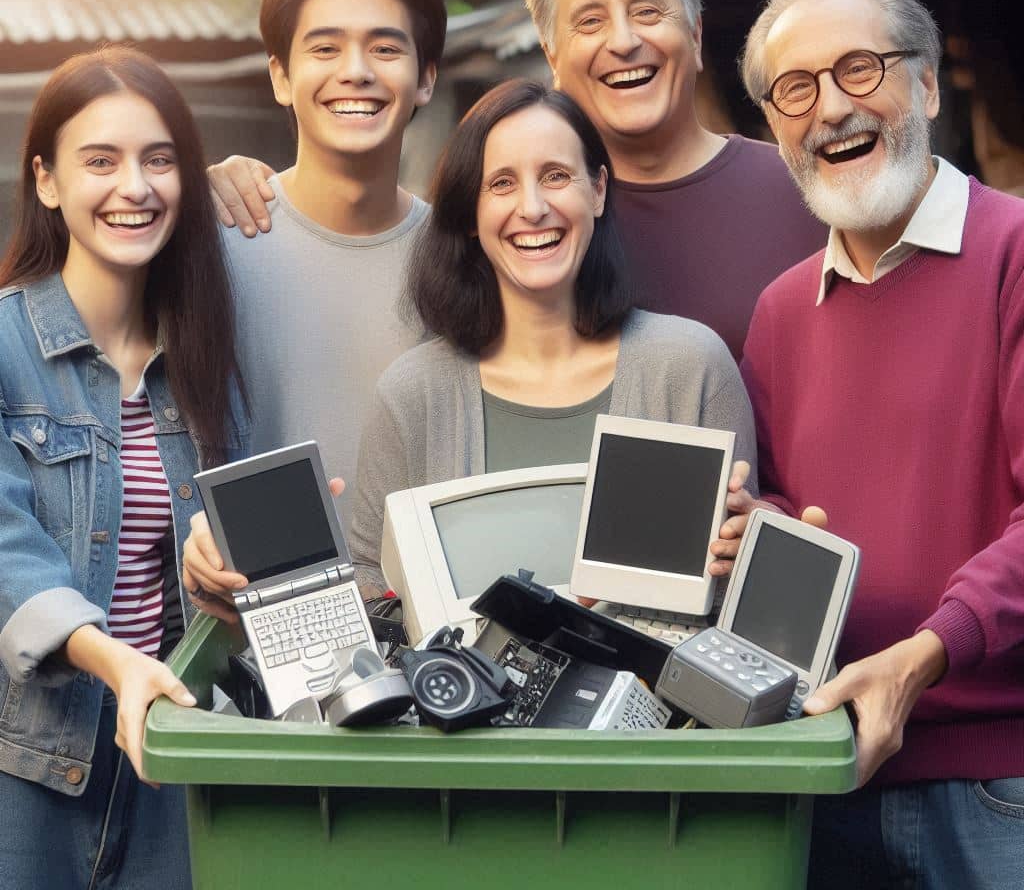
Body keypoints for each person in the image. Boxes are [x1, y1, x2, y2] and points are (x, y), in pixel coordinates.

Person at [179, 80, 758, 606]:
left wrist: (749, 547)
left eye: (556, 175)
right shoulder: (415, 393)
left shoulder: (691, 367)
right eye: (501, 184)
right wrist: (240, 572)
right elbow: (368, 586)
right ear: (472, 216)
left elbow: (737, 600)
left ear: (598, 190)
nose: (532, 208)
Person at [212, 0, 822, 361]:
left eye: (647, 12)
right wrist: (203, 187)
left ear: (694, 37)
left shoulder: (805, 194)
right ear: (552, 56)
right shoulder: (500, 229)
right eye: (589, 21)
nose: (623, 41)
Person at [734, 0, 1024, 888]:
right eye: (796, 89)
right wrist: (756, 533)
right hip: (822, 769)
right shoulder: (779, 310)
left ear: (929, 84)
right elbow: (790, 503)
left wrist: (921, 658)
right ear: (775, 126)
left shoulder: (1015, 253)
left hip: (995, 784)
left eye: (861, 69)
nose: (831, 109)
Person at [0, 47, 248, 889]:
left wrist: (236, 571)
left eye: (159, 159)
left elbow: (214, 602)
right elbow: (6, 548)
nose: (134, 187)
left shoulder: (205, 360)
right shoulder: (4, 348)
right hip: (27, 769)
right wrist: (113, 661)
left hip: (171, 765)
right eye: (99, 161)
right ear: (46, 180)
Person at [211, 0, 446, 534]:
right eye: (324, 49)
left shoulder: (463, 256)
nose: (356, 72)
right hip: (251, 610)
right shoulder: (213, 243)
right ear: (281, 76)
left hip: (424, 617)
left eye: (386, 49)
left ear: (426, 79)